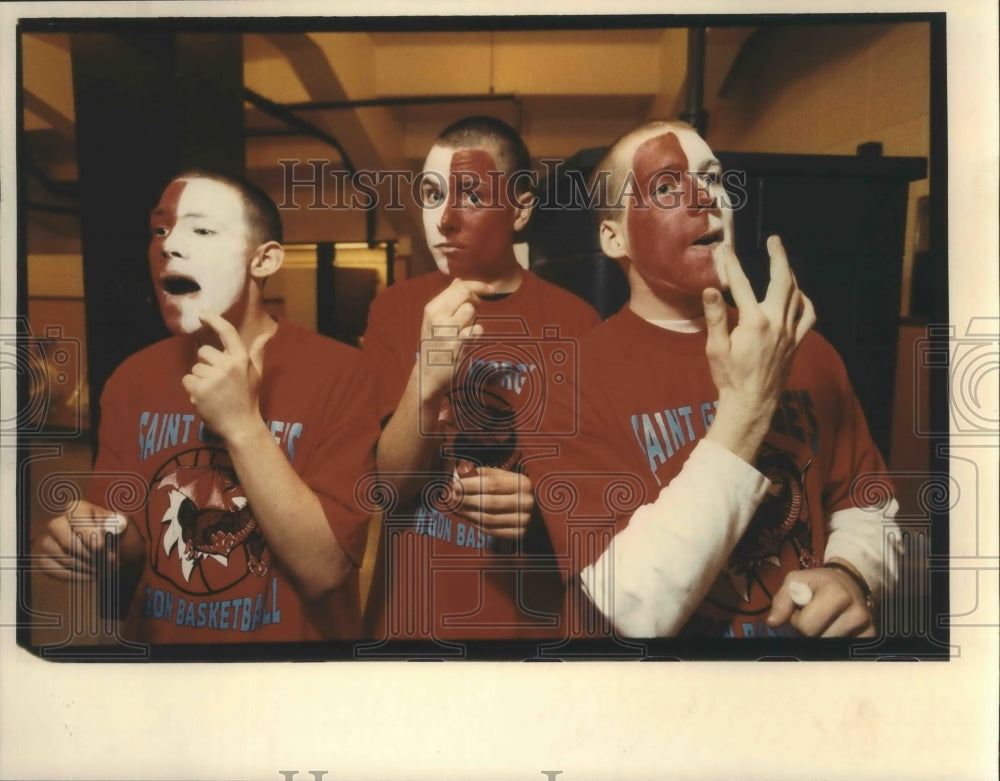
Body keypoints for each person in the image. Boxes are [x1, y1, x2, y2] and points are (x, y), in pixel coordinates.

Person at [529, 120, 900, 639]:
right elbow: (634, 607)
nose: (704, 197)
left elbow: (869, 505)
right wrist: (749, 406)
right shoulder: (563, 385)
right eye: (665, 186)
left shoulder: (803, 346)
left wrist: (851, 573)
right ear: (613, 236)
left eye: (714, 179)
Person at [34, 170, 380, 643]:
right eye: (160, 230)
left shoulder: (342, 372)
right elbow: (132, 537)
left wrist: (242, 423)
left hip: (293, 675)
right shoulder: (132, 378)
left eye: (200, 229)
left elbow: (324, 570)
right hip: (163, 663)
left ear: (264, 260)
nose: (169, 245)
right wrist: (90, 541)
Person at [362, 116, 600, 641]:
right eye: (431, 193)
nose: (443, 219)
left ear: (519, 208)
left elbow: (598, 499)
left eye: (469, 194)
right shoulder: (396, 309)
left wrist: (541, 506)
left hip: (527, 625)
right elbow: (389, 491)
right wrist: (426, 379)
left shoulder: (577, 322)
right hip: (411, 623)